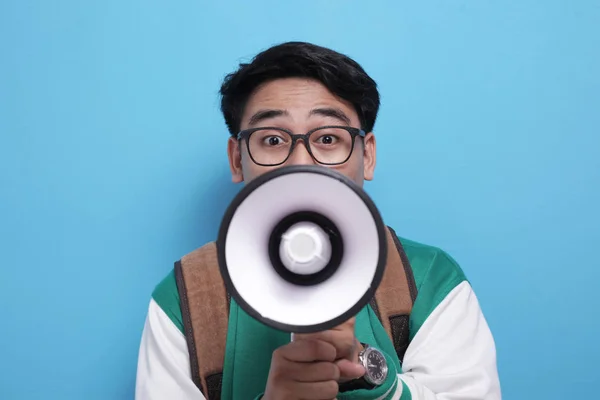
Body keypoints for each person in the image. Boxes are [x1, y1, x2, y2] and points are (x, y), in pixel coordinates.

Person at [135, 41, 502, 399]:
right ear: (237, 159)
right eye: (273, 140)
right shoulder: (186, 296)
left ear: (367, 155)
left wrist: (374, 378)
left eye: (328, 138)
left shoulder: (429, 279)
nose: (301, 164)